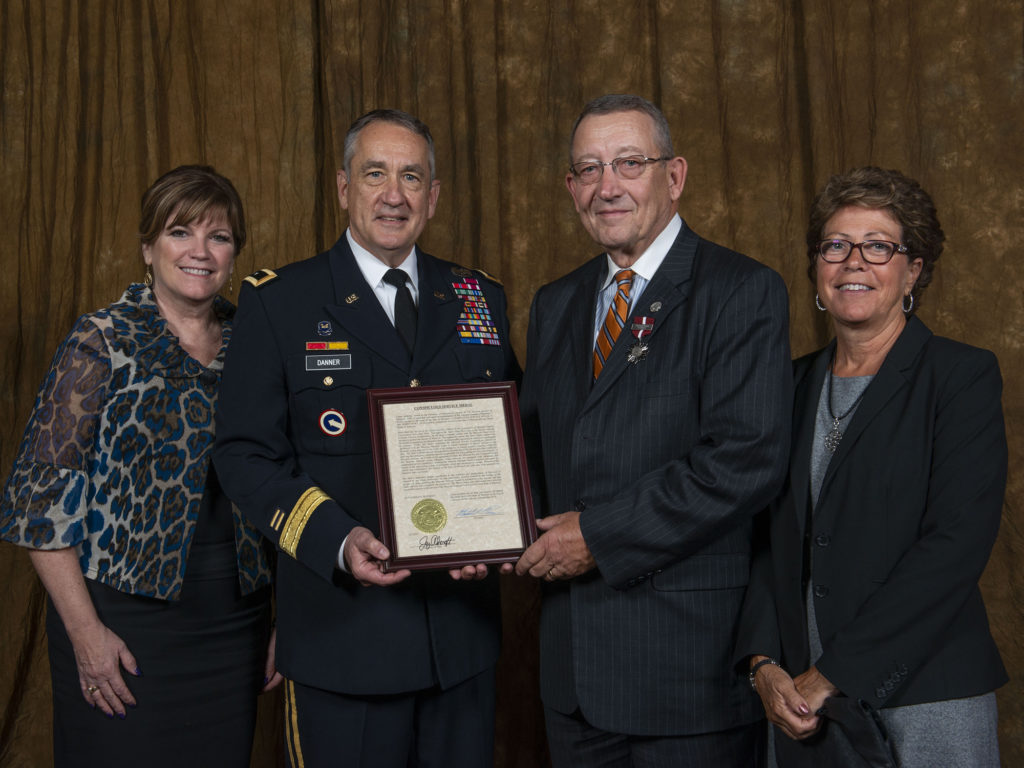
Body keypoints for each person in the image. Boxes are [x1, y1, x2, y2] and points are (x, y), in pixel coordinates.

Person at [213, 109, 520, 768]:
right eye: (375, 173)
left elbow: (517, 437)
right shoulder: (280, 303)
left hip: (459, 644)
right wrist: (338, 539)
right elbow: (243, 456)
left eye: (412, 177)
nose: (394, 194)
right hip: (342, 640)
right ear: (343, 188)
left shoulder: (478, 298)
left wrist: (499, 535)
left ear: (432, 197)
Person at [514, 93, 792, 766]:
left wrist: (598, 536)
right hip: (574, 675)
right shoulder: (555, 303)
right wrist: (467, 533)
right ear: (571, 187)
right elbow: (530, 458)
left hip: (684, 676)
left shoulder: (741, 290)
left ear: (674, 177)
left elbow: (744, 460)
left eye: (629, 163)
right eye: (588, 168)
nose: (607, 186)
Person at [0, 165, 277, 767]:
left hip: (235, 621)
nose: (200, 252)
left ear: (235, 252)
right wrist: (84, 634)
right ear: (148, 247)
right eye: (181, 232)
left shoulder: (255, 340)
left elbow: (280, 483)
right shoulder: (99, 342)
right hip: (121, 622)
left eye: (219, 237)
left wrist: (289, 618)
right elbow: (35, 508)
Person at [735, 166, 1008, 768]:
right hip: (803, 705)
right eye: (836, 245)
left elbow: (955, 547)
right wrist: (762, 663)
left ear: (913, 270)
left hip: (926, 696)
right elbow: (756, 537)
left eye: (878, 246)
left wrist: (831, 674)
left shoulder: (960, 377)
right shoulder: (787, 385)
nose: (853, 262)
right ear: (816, 268)